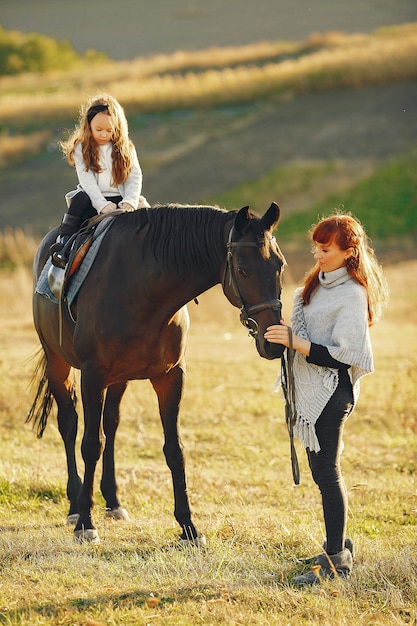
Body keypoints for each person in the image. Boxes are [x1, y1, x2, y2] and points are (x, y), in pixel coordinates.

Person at [264, 212, 389, 586]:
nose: (316, 255)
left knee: (328, 473)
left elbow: (344, 354)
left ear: (348, 252)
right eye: (315, 246)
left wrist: (296, 342)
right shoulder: (314, 286)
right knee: (322, 473)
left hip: (333, 393)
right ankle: (338, 545)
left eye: (325, 248)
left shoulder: (352, 293)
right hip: (310, 389)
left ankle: (337, 562)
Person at [51, 92, 149, 268]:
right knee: (79, 199)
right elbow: (87, 180)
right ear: (89, 125)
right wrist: (101, 204)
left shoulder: (126, 149)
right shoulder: (82, 148)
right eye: (99, 129)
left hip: (121, 199)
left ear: (117, 128)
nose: (104, 134)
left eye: (109, 130)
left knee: (150, 217)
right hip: (93, 198)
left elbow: (134, 177)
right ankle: (64, 244)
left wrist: (129, 201)